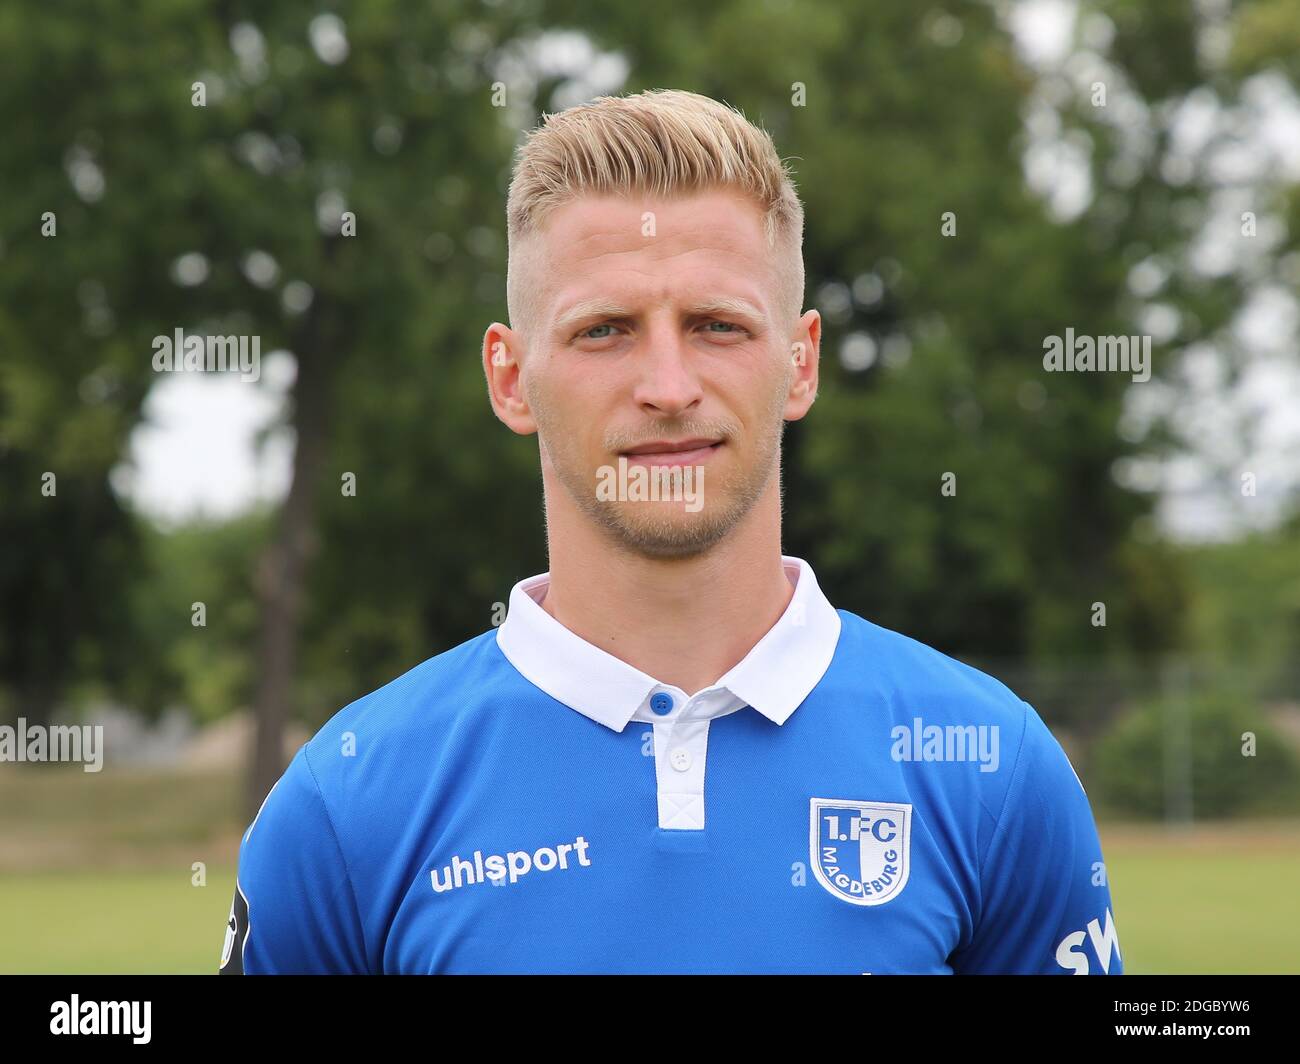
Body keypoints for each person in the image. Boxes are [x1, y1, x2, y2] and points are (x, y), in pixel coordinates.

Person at [220, 88, 1122, 974]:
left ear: (800, 364)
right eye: (604, 330)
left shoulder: (994, 771)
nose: (667, 385)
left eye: (717, 326)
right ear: (510, 378)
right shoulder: (347, 802)